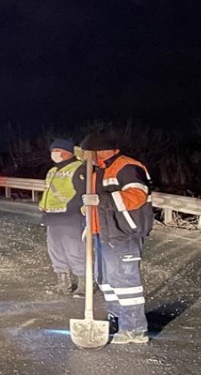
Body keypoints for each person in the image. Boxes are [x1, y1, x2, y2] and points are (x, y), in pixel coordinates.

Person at [80, 132, 154, 344]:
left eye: (86, 152)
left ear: (97, 150)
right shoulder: (98, 171)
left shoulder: (127, 167)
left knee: (125, 283)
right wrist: (89, 215)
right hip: (102, 233)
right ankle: (117, 319)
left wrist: (100, 200)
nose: (84, 157)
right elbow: (97, 204)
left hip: (123, 234)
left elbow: (137, 195)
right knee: (105, 279)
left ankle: (135, 329)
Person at [38, 138, 87, 297]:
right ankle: (63, 283)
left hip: (70, 217)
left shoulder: (79, 168)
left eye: (57, 150)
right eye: (52, 151)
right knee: (56, 251)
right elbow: (49, 192)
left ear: (68, 152)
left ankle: (84, 285)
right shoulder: (52, 171)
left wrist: (73, 208)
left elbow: (82, 193)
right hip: (52, 217)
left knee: (75, 251)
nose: (54, 154)